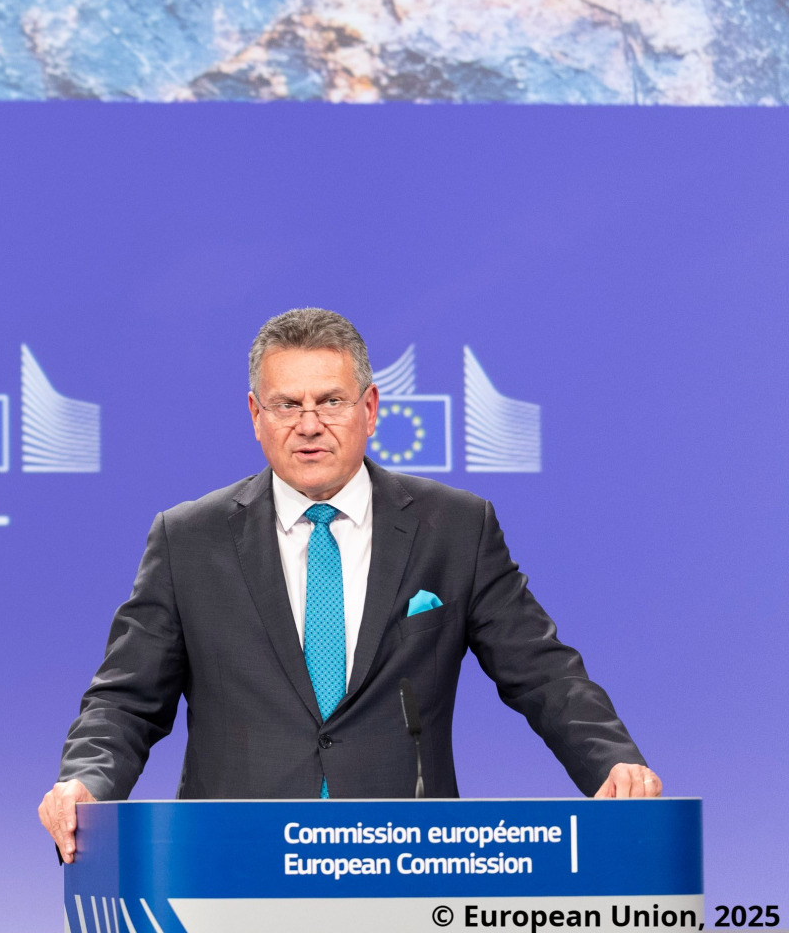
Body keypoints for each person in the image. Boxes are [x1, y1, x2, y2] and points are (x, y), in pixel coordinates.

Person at [39, 308, 659, 861]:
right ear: (256, 416)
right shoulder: (189, 538)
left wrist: (613, 762)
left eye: (330, 401)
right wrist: (84, 780)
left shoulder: (455, 527)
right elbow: (126, 699)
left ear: (370, 408)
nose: (309, 425)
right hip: (234, 860)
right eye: (287, 405)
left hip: (405, 858)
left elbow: (542, 673)